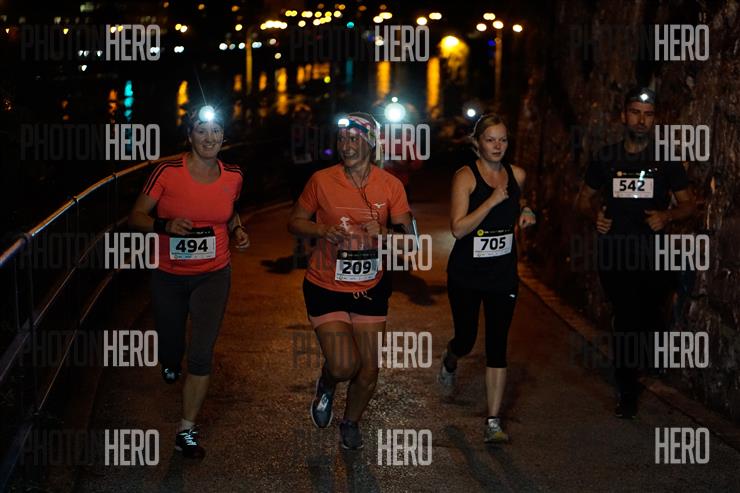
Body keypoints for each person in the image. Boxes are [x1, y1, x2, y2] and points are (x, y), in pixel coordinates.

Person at [128, 104, 250, 458]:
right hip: (168, 275)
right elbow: (136, 216)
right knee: (171, 344)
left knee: (201, 351)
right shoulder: (167, 171)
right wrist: (164, 225)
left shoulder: (234, 175)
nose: (209, 138)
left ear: (223, 136)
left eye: (216, 131)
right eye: (202, 131)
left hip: (214, 274)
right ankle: (169, 359)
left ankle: (186, 431)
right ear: (190, 136)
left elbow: (230, 211)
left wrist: (238, 229)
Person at [288, 112, 412, 450]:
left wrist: (384, 232)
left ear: (371, 143)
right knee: (344, 365)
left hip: (371, 288)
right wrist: (320, 230)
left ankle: (350, 422)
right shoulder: (321, 180)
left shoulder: (391, 186)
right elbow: (295, 221)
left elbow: (410, 242)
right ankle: (328, 383)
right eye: (342, 139)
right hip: (325, 286)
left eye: (354, 139)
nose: (346, 145)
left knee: (369, 371)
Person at [575, 87, 695, 419]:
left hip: (653, 256)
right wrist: (594, 216)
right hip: (615, 254)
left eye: (648, 114)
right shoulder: (606, 158)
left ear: (654, 119)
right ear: (624, 116)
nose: (641, 120)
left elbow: (689, 204)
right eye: (635, 112)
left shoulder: (666, 160)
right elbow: (582, 200)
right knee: (627, 316)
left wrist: (666, 216)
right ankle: (627, 391)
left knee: (649, 318)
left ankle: (639, 362)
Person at [438, 113, 536, 443]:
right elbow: (458, 228)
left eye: (503, 140)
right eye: (490, 139)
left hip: (502, 275)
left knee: (497, 344)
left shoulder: (517, 174)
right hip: (466, 274)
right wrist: (492, 201)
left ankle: (493, 421)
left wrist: (526, 211)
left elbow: (521, 201)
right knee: (466, 339)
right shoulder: (465, 177)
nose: (497, 146)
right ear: (477, 143)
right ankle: (451, 358)